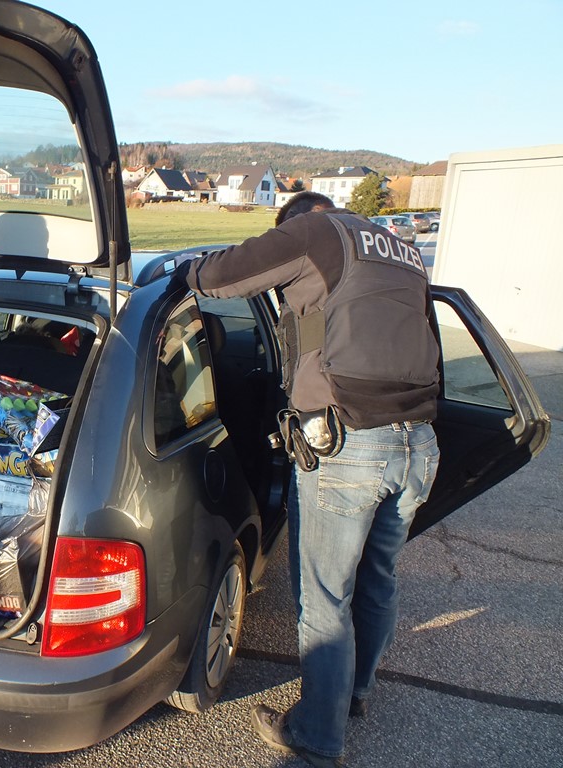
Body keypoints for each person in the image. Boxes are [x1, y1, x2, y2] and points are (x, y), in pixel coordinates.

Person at [177, 191, 441, 768]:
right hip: (418, 443)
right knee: (376, 577)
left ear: (296, 222)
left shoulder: (316, 232)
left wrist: (182, 271)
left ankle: (317, 734)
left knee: (325, 596)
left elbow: (218, 277)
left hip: (350, 445)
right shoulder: (400, 247)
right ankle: (354, 692)